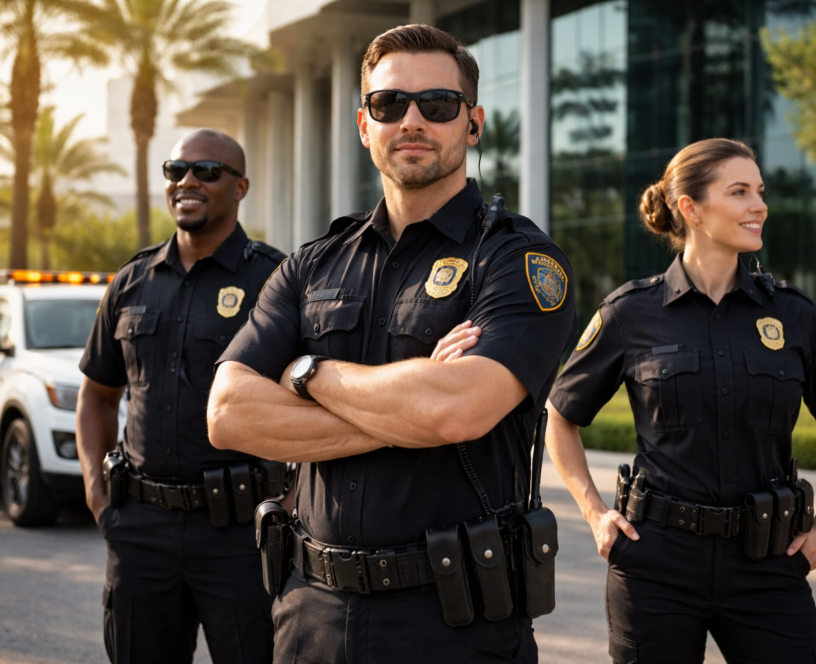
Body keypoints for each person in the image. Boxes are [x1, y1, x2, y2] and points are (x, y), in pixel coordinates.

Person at [207, 24, 577, 664]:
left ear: (473, 123)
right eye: (388, 105)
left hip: (455, 622)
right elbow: (228, 414)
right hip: (310, 616)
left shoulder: (518, 259)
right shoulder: (311, 265)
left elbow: (456, 410)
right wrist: (410, 408)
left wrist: (307, 371)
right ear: (363, 124)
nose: (412, 120)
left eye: (437, 105)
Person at [544, 138, 816, 663]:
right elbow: (560, 418)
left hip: (767, 563)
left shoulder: (793, 314)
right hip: (656, 566)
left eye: (760, 191)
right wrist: (595, 514)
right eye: (739, 191)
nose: (759, 205)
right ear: (690, 209)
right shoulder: (630, 312)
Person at [76, 129, 287, 664]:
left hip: (239, 537)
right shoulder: (132, 280)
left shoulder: (276, 280)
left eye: (206, 171)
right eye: (176, 170)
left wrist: (292, 504)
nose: (187, 181)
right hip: (139, 530)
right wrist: (99, 497)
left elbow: (312, 396)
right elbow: (98, 395)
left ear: (239, 187)